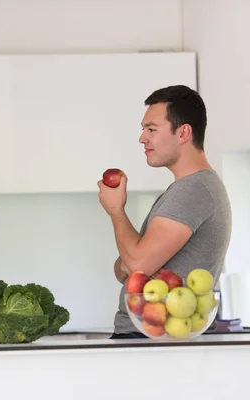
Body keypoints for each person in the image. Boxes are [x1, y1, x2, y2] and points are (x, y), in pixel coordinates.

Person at [97, 85, 232, 339]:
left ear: (183, 133)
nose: (142, 138)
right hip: (150, 336)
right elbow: (122, 268)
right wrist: (137, 261)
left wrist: (116, 211)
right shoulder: (185, 189)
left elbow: (135, 263)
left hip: (155, 339)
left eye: (151, 129)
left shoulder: (192, 191)